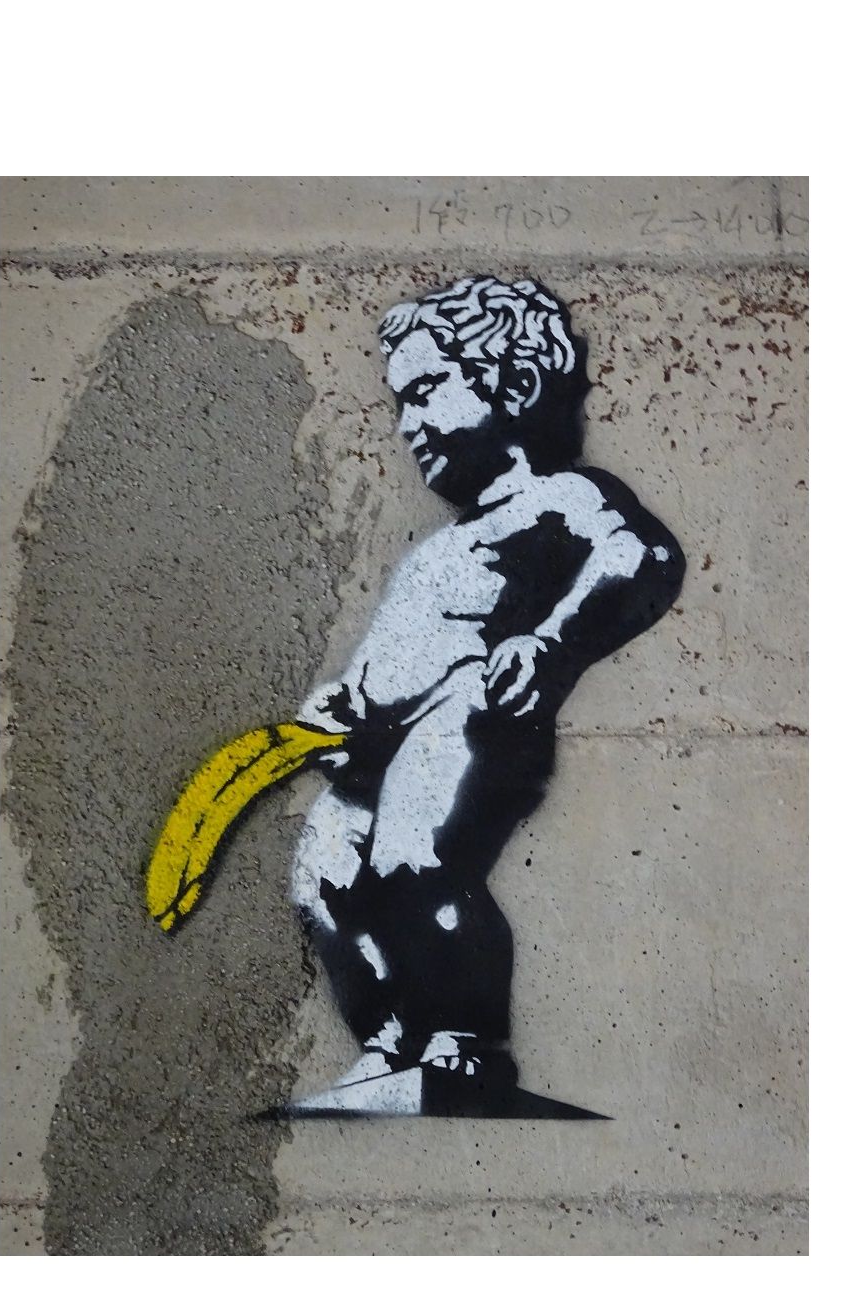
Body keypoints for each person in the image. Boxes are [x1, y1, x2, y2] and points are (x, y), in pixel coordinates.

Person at [288, 276, 684, 1116]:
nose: (409, 422)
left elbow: (639, 556)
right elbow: (381, 664)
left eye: (428, 390)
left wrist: (552, 643)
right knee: (324, 878)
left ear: (513, 380)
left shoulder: (558, 498)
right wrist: (342, 709)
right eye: (400, 402)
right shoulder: (434, 554)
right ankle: (390, 1039)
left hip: (474, 715)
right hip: (378, 750)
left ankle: (463, 1040)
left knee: (415, 860)